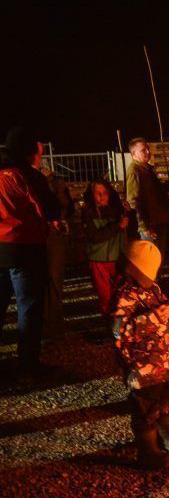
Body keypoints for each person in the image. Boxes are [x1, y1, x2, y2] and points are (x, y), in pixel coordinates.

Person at [112, 240, 169, 470]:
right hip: (142, 367)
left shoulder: (153, 290)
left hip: (163, 362)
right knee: (144, 409)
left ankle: (167, 438)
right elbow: (121, 331)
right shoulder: (123, 297)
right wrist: (154, 318)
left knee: (163, 403)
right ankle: (147, 451)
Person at [0, 127, 54, 381]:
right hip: (25, 248)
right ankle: (27, 367)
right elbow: (51, 209)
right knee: (28, 308)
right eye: (38, 152)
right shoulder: (27, 176)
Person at [37, 161, 74, 339]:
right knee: (47, 281)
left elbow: (66, 206)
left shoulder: (55, 182)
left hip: (52, 234)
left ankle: (53, 327)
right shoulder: (33, 180)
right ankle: (50, 327)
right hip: (44, 235)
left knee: (53, 281)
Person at [82, 179, 129, 319]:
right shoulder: (88, 212)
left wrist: (128, 214)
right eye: (98, 193)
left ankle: (120, 321)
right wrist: (117, 226)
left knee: (119, 291)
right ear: (92, 195)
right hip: (99, 260)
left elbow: (128, 230)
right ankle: (109, 321)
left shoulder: (116, 210)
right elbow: (95, 237)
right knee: (105, 294)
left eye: (105, 193)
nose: (102, 196)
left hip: (116, 258)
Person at [125, 138, 169, 259]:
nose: (148, 152)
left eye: (148, 149)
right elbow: (133, 201)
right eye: (143, 150)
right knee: (152, 260)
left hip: (158, 220)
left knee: (159, 257)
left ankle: (156, 278)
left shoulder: (146, 170)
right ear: (134, 154)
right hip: (150, 224)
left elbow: (151, 193)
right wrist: (143, 227)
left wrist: (164, 188)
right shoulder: (134, 172)